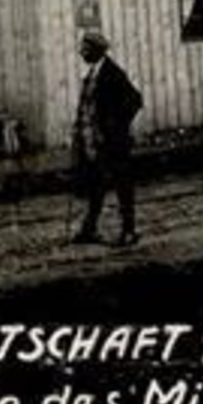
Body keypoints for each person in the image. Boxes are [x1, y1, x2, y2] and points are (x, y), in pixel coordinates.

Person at [70, 31, 144, 247]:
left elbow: (135, 100)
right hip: (94, 141)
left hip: (113, 142)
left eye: (85, 48)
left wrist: (116, 125)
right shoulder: (92, 74)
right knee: (96, 185)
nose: (81, 52)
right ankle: (89, 229)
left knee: (122, 185)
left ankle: (129, 232)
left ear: (97, 50)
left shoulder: (113, 73)